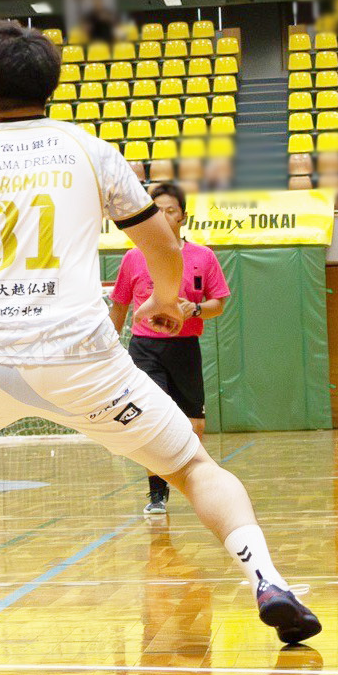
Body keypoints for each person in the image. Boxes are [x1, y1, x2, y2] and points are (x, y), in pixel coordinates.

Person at [0, 20, 318, 651]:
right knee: (194, 466)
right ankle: (269, 581)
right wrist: (167, 302)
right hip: (81, 361)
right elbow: (162, 244)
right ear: (51, 87)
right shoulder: (90, 151)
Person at [110, 182, 229, 516]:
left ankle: (191, 479)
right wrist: (109, 345)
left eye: (170, 210)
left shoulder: (203, 257)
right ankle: (156, 493)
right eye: (157, 210)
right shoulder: (134, 257)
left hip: (185, 347)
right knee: (152, 419)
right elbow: (119, 305)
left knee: (194, 425)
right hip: (145, 349)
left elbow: (218, 303)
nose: (163, 216)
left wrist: (193, 309)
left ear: (183, 216)